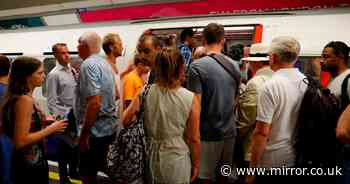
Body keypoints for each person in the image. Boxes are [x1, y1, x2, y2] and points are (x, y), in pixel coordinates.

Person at [123, 47, 200, 184]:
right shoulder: (190, 98)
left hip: (149, 157)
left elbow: (125, 120)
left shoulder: (144, 92)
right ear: (181, 68)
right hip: (176, 159)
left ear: (156, 68)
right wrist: (196, 164)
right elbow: (193, 138)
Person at [247, 37, 306, 184]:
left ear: (273, 57)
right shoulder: (306, 81)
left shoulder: (271, 86)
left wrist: (252, 170)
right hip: (297, 156)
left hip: (272, 160)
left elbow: (262, 132)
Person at [1, 56, 67, 184]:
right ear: (27, 76)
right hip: (28, 163)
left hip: (32, 159)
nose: (44, 76)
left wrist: (43, 122)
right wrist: (51, 129)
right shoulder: (24, 101)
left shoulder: (25, 97)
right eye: (40, 73)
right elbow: (20, 140)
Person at [187, 23, 240, 184]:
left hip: (207, 134)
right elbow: (235, 100)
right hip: (229, 133)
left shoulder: (196, 67)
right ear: (223, 41)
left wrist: (192, 138)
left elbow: (195, 107)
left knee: (205, 177)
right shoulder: (235, 66)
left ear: (203, 40)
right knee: (223, 176)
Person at [76, 32, 117, 184]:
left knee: (87, 174)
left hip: (94, 133)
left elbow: (94, 103)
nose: (76, 47)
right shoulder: (105, 63)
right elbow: (116, 95)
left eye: (78, 43)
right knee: (105, 166)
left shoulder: (88, 65)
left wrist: (84, 134)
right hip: (108, 129)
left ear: (85, 46)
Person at [236, 43, 273, 168]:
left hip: (252, 148)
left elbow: (247, 120)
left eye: (249, 62)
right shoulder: (278, 80)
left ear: (256, 63)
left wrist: (237, 135)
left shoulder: (255, 83)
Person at [46, 43, 79, 183]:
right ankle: (63, 177)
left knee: (74, 146)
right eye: (63, 53)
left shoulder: (71, 70)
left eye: (67, 52)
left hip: (75, 114)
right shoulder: (54, 75)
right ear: (56, 55)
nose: (67, 55)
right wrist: (57, 120)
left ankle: (73, 171)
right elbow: (51, 100)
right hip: (63, 115)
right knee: (62, 148)